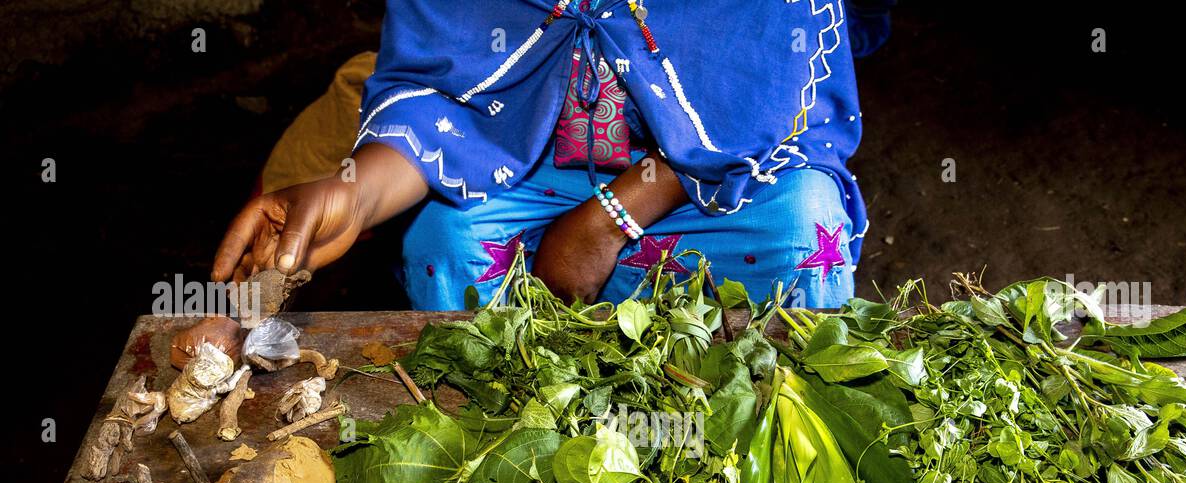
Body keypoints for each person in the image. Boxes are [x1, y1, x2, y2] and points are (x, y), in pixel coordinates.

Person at [212, 1, 893, 309]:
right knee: (445, 239)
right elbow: (440, 102)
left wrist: (607, 218)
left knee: (800, 229)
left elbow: (759, 107)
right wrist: (353, 193)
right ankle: (503, 460)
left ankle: (765, 449)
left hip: (699, 182)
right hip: (522, 161)